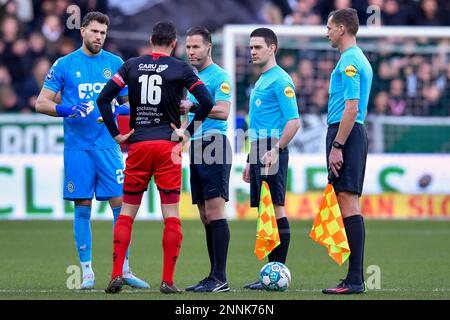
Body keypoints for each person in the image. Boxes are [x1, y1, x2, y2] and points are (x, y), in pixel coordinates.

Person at [97, 21, 215, 294]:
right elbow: (207, 102)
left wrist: (117, 135)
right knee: (171, 215)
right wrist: (186, 132)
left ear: (151, 39)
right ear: (174, 43)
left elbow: (104, 99)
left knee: (127, 213)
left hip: (138, 145)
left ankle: (116, 274)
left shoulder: (131, 65)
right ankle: (167, 281)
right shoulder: (181, 68)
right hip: (168, 147)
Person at [35, 12, 149, 290]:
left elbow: (130, 104)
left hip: (109, 146)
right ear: (83, 30)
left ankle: (123, 268)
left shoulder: (115, 63)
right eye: (95, 31)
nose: (99, 37)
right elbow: (41, 103)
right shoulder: (64, 65)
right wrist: (68, 109)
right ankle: (87, 272)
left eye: (103, 33)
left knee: (120, 208)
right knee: (82, 206)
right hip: (78, 148)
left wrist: (118, 109)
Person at [242, 28, 301, 290]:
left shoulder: (280, 80)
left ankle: (278, 269)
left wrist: (276, 149)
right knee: (265, 210)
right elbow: (259, 122)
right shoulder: (263, 79)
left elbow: (294, 121)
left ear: (272, 48)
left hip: (270, 149)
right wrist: (248, 158)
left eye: (257, 47)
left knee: (276, 207)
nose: (252, 51)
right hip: (258, 148)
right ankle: (271, 270)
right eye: (251, 47)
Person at [323, 8, 373, 294]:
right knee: (346, 200)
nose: (327, 32)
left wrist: (337, 145)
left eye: (329, 27)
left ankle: (355, 279)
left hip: (347, 134)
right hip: (349, 132)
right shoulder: (354, 58)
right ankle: (353, 278)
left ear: (342, 29)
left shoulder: (351, 61)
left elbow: (351, 108)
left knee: (348, 201)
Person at [180, 26, 232, 293]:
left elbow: (223, 112)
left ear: (208, 47)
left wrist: (194, 107)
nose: (191, 51)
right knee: (204, 215)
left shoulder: (219, 76)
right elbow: (187, 117)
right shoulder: (191, 78)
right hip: (197, 147)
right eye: (188, 47)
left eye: (196, 47)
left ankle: (220, 277)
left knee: (215, 212)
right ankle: (213, 275)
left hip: (215, 146)